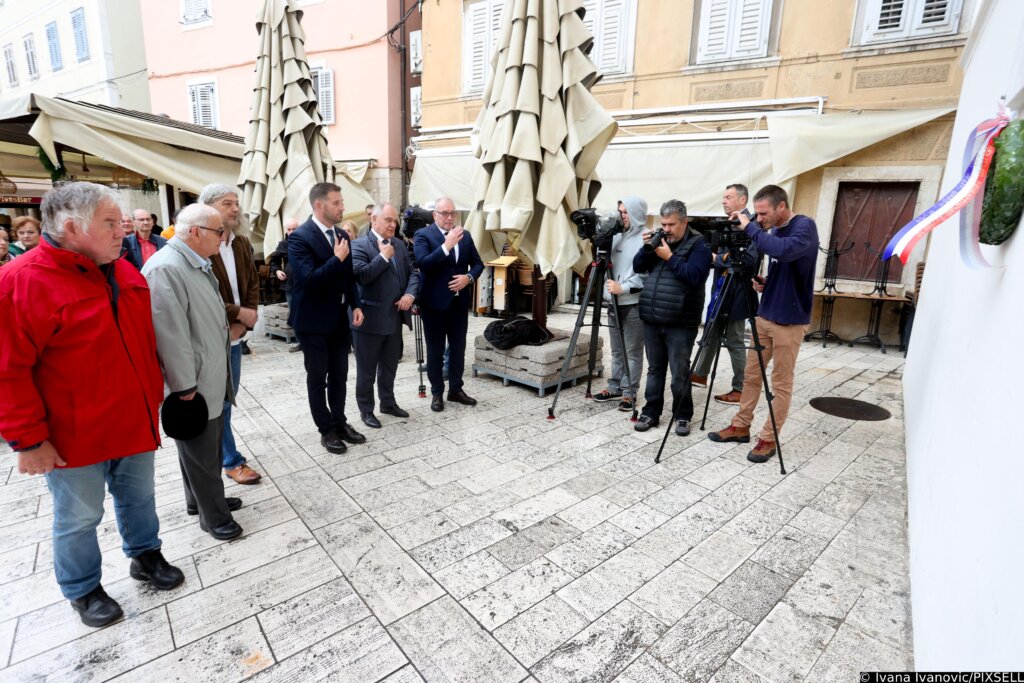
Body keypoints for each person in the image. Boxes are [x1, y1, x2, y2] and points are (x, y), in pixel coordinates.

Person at [0, 182, 183, 628]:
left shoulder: (124, 272)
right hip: (72, 434)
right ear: (71, 228)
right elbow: (7, 370)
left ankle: (145, 554)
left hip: (133, 420)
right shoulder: (20, 281)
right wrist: (28, 440)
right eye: (110, 222)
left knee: (140, 498)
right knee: (80, 516)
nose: (123, 230)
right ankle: (82, 587)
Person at [142, 204, 244, 539]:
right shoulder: (167, 268)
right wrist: (184, 385)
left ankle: (199, 501)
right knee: (201, 451)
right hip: (193, 382)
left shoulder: (193, 262)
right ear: (196, 232)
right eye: (218, 231)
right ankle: (214, 517)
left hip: (207, 374)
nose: (223, 237)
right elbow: (169, 335)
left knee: (202, 448)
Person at [709, 185, 819, 463]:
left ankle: (769, 438)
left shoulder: (804, 226)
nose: (759, 219)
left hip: (789, 322)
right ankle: (741, 425)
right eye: (756, 214)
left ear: (781, 206)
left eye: (763, 213)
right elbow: (785, 266)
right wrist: (767, 283)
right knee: (751, 376)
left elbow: (785, 251)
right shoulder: (774, 230)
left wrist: (750, 228)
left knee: (780, 383)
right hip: (765, 315)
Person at [288, 182, 366, 454]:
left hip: (338, 318)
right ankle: (326, 429)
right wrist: (336, 258)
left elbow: (348, 276)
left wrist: (356, 304)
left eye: (341, 202)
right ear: (319, 205)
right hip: (312, 321)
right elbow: (309, 281)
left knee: (340, 375)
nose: (343, 207)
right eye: (337, 202)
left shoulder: (341, 234)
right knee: (318, 377)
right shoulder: (299, 238)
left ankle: (340, 422)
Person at [632, 199, 712, 436]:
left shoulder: (700, 245)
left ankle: (683, 415)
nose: (666, 229)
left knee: (679, 373)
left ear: (684, 222)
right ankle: (651, 412)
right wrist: (646, 248)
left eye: (671, 225)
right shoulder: (660, 240)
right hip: (653, 317)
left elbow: (695, 276)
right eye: (663, 224)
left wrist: (669, 257)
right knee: (655, 369)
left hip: (681, 321)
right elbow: (638, 266)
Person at [201, 184, 262, 486]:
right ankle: (229, 460)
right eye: (227, 203)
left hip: (236, 336)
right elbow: (203, 294)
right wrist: (238, 314)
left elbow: (252, 284)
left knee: (228, 400)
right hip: (211, 337)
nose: (236, 208)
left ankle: (221, 455)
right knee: (220, 403)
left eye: (236, 203)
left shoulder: (241, 242)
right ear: (208, 207)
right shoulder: (199, 246)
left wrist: (244, 322)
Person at [352, 203, 420, 428]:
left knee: (390, 366)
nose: (393, 225)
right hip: (369, 320)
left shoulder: (399, 244)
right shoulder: (358, 245)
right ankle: (366, 410)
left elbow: (413, 273)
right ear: (374, 220)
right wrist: (382, 257)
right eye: (388, 220)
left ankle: (388, 403)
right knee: (367, 370)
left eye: (395, 221)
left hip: (394, 318)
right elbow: (362, 276)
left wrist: (410, 294)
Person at [691, 184, 760, 405]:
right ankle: (700, 374)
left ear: (742, 200)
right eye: (723, 197)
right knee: (710, 333)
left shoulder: (752, 225)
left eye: (728, 197)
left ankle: (740, 388)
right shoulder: (728, 224)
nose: (724, 201)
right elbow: (725, 255)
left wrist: (718, 259)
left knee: (735, 340)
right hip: (721, 288)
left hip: (738, 292)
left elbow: (748, 260)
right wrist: (722, 258)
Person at [413, 197, 483, 412]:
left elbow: (478, 264)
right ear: (435, 214)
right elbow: (423, 264)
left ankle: (456, 389)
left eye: (452, 213)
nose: (449, 217)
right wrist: (446, 246)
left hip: (458, 303)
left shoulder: (465, 235)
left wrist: (468, 278)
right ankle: (437, 393)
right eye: (444, 213)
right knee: (435, 351)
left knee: (458, 348)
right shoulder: (423, 235)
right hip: (434, 304)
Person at [591, 197, 648, 412]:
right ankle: (614, 386)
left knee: (632, 351)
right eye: (620, 211)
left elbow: (647, 274)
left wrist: (623, 288)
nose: (621, 216)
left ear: (635, 213)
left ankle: (629, 392)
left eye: (625, 212)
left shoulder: (646, 238)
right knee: (616, 350)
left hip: (633, 303)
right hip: (612, 302)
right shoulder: (614, 237)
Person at [269, 218, 302, 352]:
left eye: (294, 228)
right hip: (290, 284)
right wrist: (277, 271)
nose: (292, 231)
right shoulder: (283, 244)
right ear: (286, 231)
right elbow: (274, 261)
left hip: (307, 282)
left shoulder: (306, 241)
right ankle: (300, 342)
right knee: (294, 312)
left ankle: (311, 340)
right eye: (289, 229)